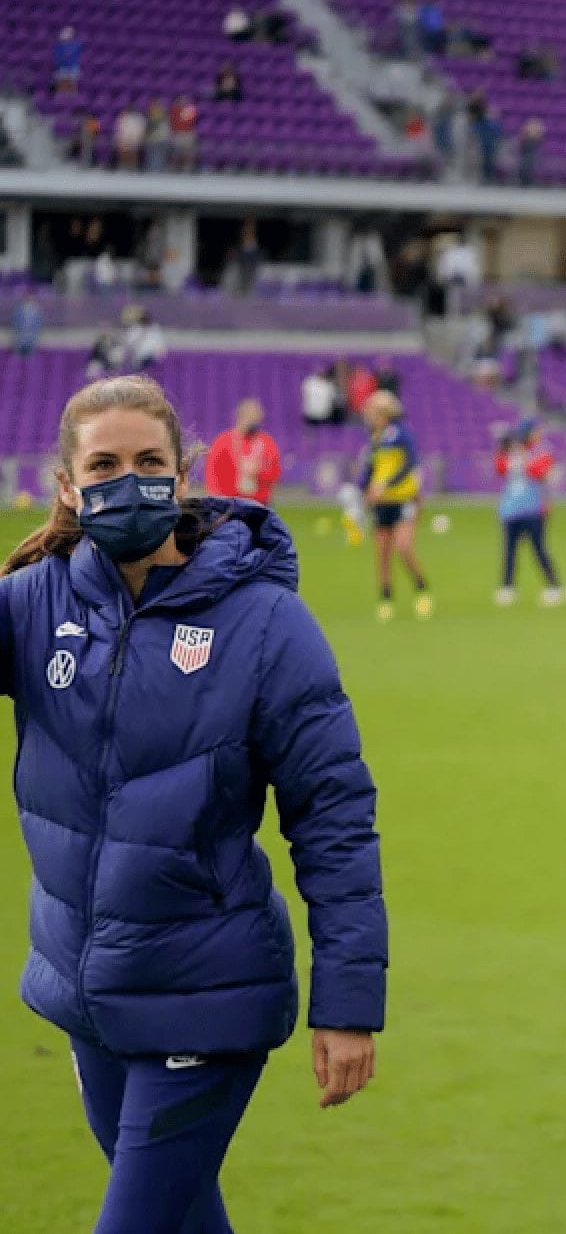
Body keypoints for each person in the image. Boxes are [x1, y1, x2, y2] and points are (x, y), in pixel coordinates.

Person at [0, 375, 386, 1233]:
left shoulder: (266, 624)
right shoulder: (33, 605)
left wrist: (349, 1003)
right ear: (67, 486)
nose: (126, 479)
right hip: (89, 995)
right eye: (103, 464)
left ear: (183, 477)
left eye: (148, 461)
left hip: (210, 991)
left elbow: (334, 818)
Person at [357, 391, 432, 622]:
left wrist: (386, 484)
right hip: (382, 503)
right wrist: (364, 489)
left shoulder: (401, 434)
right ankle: (386, 598)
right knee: (382, 554)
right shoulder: (375, 438)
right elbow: (370, 470)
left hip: (404, 499)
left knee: (403, 547)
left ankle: (421, 587)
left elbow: (410, 463)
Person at [492, 419, 565, 607]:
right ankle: (507, 587)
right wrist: (504, 449)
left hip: (533, 509)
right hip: (511, 509)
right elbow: (500, 468)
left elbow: (538, 471)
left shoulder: (541, 452)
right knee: (509, 550)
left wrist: (520, 456)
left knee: (538, 549)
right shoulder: (512, 452)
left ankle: (554, 586)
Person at [203, 398, 283, 505]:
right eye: (250, 418)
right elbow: (211, 473)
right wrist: (216, 499)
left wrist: (259, 472)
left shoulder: (266, 442)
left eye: (256, 419)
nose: (253, 423)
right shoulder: (223, 442)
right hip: (229, 503)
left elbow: (275, 472)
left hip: (259, 503)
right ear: (240, 417)